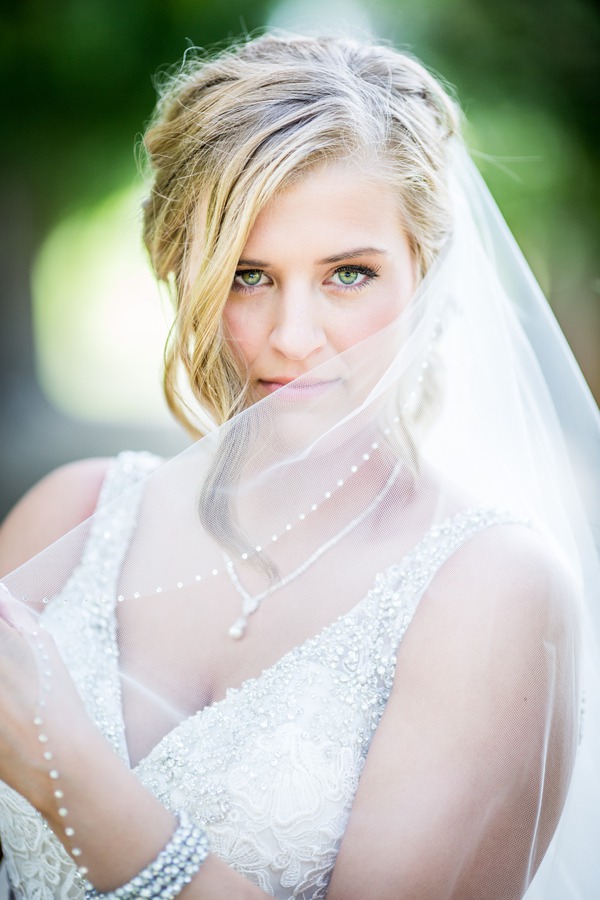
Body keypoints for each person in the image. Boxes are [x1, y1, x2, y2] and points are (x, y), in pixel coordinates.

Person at [0, 31, 598, 900]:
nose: (292, 337)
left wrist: (66, 770)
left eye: (349, 275)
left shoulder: (492, 587)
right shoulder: (72, 514)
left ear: (427, 274)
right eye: (248, 276)